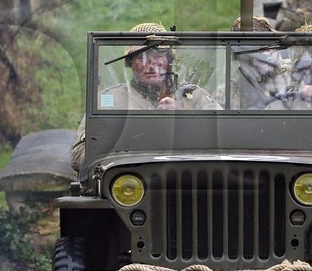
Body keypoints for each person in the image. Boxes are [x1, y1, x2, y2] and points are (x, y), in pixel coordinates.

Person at [71, 24, 221, 171]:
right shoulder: (110, 100)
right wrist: (125, 140)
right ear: (130, 62)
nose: (151, 65)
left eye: (157, 57)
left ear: (169, 61)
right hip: (129, 186)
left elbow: (224, 142)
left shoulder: (193, 97)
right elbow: (78, 157)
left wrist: (181, 120)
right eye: (142, 58)